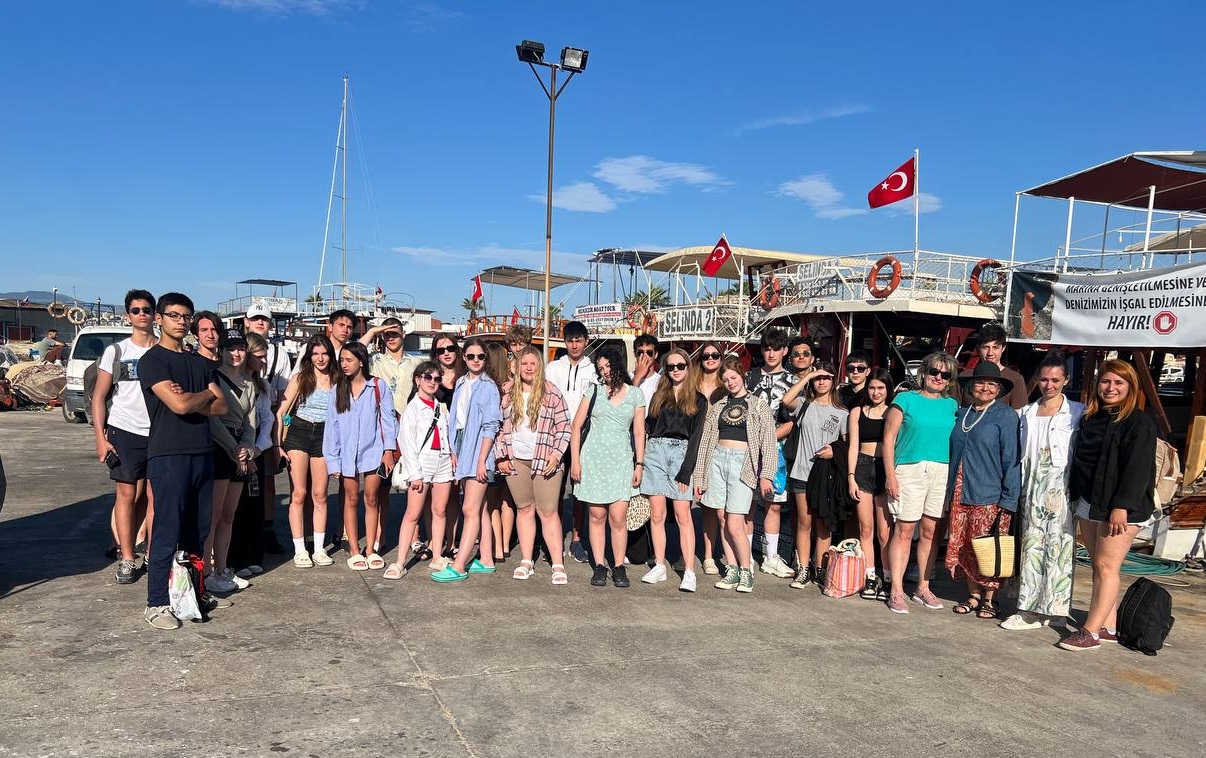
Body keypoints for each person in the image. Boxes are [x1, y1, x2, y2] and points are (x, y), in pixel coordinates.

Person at [138, 293, 227, 630]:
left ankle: (193, 594)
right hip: (169, 454)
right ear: (159, 319)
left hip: (201, 453)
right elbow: (179, 406)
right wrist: (204, 395)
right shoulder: (153, 361)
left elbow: (222, 406)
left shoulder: (198, 363)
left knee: (198, 531)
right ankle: (156, 603)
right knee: (167, 529)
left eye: (186, 316)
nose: (181, 321)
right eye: (174, 315)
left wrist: (195, 397)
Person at [1060, 359, 1158, 652]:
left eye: (1118, 383)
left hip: (1119, 507)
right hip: (1090, 501)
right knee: (1098, 566)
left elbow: (1138, 469)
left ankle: (1090, 632)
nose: (1111, 388)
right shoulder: (1091, 418)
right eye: (1106, 381)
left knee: (1107, 566)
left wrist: (1122, 506)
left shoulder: (1138, 422)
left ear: (1130, 387)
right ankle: (1108, 625)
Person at [1001, 353, 1084, 631]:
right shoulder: (1025, 413)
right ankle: (1028, 610)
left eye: (1055, 380)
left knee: (1060, 548)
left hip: (1061, 488)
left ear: (1066, 380)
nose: (1049, 385)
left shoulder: (1077, 412)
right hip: (1031, 486)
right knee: (1032, 546)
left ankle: (1055, 607)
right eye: (1045, 379)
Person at [882, 351, 959, 615]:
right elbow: (889, 439)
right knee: (904, 530)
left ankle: (923, 587)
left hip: (941, 470)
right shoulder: (905, 399)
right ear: (923, 373)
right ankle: (896, 590)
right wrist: (890, 475)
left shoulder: (951, 405)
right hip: (909, 469)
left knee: (931, 532)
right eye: (934, 372)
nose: (939, 377)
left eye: (945, 374)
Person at [944, 362, 1021, 620]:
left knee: (987, 546)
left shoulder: (1005, 416)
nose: (985, 388)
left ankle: (991, 598)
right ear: (970, 386)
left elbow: (1012, 459)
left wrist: (1009, 499)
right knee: (965, 545)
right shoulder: (962, 413)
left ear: (998, 389)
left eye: (991, 384)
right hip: (960, 490)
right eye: (980, 382)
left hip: (990, 493)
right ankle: (973, 595)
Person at [693, 358, 775, 593]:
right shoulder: (719, 405)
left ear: (742, 376)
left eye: (733, 377)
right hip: (718, 460)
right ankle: (732, 569)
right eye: (726, 379)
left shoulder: (758, 405)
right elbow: (706, 442)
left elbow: (768, 442)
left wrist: (766, 475)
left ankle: (746, 570)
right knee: (722, 518)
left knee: (735, 522)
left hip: (743, 463)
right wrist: (700, 477)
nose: (730, 383)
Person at [93, 289, 157, 585]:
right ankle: (128, 558)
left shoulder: (164, 350)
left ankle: (152, 553)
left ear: (155, 314)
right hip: (124, 431)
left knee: (153, 497)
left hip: (159, 433)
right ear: (127, 315)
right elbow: (99, 396)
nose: (142, 314)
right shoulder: (116, 351)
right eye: (136, 310)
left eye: (146, 309)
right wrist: (100, 437)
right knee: (127, 495)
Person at [570, 347, 646, 588]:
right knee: (596, 515)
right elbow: (576, 426)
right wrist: (575, 461)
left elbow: (639, 432)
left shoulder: (635, 394)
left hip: (621, 461)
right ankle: (600, 565)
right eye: (600, 368)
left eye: (608, 366)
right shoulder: (592, 391)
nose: (605, 371)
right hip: (593, 460)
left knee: (618, 517)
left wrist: (639, 464)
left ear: (617, 364)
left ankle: (619, 566)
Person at [497, 347, 572, 585]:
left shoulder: (552, 392)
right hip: (516, 459)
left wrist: (556, 455)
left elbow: (564, 427)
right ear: (517, 367)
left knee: (548, 511)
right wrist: (501, 455)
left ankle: (557, 563)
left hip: (545, 459)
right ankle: (526, 560)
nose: (529, 368)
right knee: (524, 509)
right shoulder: (507, 393)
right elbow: (498, 427)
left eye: (533, 363)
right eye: (524, 363)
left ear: (540, 366)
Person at [431, 337, 503, 582]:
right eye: (471, 356)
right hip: (462, 447)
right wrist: (454, 451)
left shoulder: (488, 387)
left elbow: (491, 426)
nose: (476, 360)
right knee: (479, 507)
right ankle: (486, 558)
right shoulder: (461, 382)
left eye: (480, 356)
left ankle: (460, 564)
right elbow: (455, 421)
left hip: (480, 448)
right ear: (464, 357)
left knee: (469, 508)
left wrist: (482, 460)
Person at [323, 340, 397, 572]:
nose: (344, 364)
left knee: (372, 498)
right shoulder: (338, 389)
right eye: (342, 360)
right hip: (347, 453)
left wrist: (388, 451)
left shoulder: (377, 386)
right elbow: (332, 427)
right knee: (351, 498)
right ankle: (354, 549)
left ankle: (371, 549)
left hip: (373, 450)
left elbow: (388, 420)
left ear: (361, 362)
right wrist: (332, 460)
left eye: (349, 360)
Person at [640, 347, 707, 591]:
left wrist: (686, 470)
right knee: (657, 514)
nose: (676, 370)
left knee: (683, 515)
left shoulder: (698, 399)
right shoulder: (659, 395)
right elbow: (648, 425)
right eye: (670, 367)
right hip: (656, 451)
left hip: (682, 453)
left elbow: (696, 437)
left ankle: (689, 571)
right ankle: (659, 565)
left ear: (688, 367)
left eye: (680, 366)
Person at [203, 329, 264, 594]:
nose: (236, 353)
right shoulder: (214, 377)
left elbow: (251, 420)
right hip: (220, 447)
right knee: (213, 516)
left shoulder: (249, 382)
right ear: (221, 351)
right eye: (230, 348)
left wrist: (247, 448)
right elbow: (211, 418)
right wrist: (233, 447)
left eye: (240, 348)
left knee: (229, 515)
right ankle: (206, 572)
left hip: (240, 450)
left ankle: (222, 569)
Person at [781, 362, 848, 589]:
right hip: (802, 471)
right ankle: (803, 568)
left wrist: (834, 452)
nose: (822, 381)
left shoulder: (842, 413)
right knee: (804, 521)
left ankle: (820, 568)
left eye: (826, 377)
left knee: (823, 523)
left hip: (826, 474)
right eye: (818, 378)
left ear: (834, 381)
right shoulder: (804, 404)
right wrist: (808, 376)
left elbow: (848, 444)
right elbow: (786, 400)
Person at [386, 360, 454, 580]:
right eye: (428, 377)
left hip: (443, 461)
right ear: (417, 380)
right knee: (412, 513)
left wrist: (452, 455)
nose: (432, 382)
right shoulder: (412, 409)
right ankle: (399, 562)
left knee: (440, 510)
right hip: (422, 463)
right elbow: (406, 442)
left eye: (437, 378)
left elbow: (447, 436)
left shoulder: (440, 407)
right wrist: (415, 473)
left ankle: (437, 556)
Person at [276, 334, 337, 568]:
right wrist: (277, 445)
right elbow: (281, 412)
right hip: (299, 431)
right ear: (309, 356)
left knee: (320, 494)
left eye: (325, 354)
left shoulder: (338, 379)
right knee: (299, 493)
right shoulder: (301, 378)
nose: (320, 358)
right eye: (316, 354)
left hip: (325, 434)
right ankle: (300, 549)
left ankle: (319, 548)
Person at [745, 328, 797, 579]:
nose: (771, 353)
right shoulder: (750, 377)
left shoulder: (793, 381)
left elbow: (794, 420)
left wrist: (767, 440)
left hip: (777, 450)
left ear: (785, 350)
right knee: (748, 504)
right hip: (748, 447)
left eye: (776, 348)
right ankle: (744, 556)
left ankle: (771, 556)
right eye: (767, 348)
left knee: (773, 504)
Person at [546, 320, 597, 564]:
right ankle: (552, 536)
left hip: (583, 436)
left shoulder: (594, 370)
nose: (575, 345)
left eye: (579, 340)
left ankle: (577, 540)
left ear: (585, 342)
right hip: (555, 434)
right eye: (570, 341)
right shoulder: (553, 367)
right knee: (553, 488)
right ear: (564, 342)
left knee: (580, 489)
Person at [245, 304, 291, 554]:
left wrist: (280, 431)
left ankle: (267, 527)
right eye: (256, 319)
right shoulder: (237, 347)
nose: (260, 323)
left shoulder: (279, 354)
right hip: (242, 413)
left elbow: (283, 396)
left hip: (269, 412)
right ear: (247, 321)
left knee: (268, 476)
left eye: (264, 319)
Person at [846, 368, 894, 600]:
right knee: (866, 528)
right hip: (862, 467)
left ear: (888, 389)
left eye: (880, 388)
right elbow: (853, 446)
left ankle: (889, 577)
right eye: (872, 387)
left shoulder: (893, 412)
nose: (876, 392)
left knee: (885, 532)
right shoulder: (857, 411)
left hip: (885, 468)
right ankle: (870, 577)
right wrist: (851, 476)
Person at [694, 341, 725, 575]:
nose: (710, 359)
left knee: (721, 507)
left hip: (719, 447)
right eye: (706, 356)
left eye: (715, 355)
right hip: (694, 446)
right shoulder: (691, 383)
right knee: (703, 505)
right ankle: (707, 555)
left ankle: (726, 556)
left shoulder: (728, 384)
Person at [484, 341, 515, 560]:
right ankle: (505, 545)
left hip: (494, 450)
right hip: (513, 450)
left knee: (491, 503)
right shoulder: (514, 387)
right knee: (508, 502)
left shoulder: (490, 388)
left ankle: (495, 546)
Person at [958, 323, 1029, 409]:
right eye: (986, 347)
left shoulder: (1015, 379)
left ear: (1003, 348)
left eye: (995, 347)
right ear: (978, 348)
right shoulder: (964, 377)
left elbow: (1019, 413)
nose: (990, 353)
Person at [631, 333, 662, 407]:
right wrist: (638, 377)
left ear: (656, 355)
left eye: (649, 353)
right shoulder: (625, 378)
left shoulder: (661, 381)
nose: (645, 356)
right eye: (640, 352)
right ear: (635, 354)